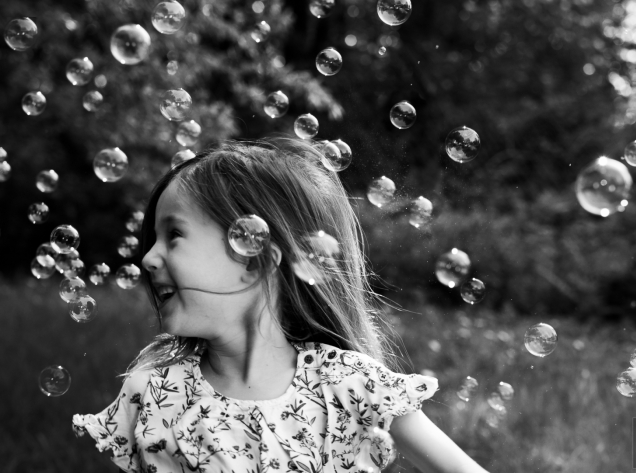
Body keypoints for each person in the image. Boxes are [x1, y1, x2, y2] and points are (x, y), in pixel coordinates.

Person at [72, 138, 489, 473]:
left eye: (174, 235)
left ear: (254, 254)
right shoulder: (154, 393)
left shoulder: (352, 387)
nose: (148, 258)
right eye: (152, 241)